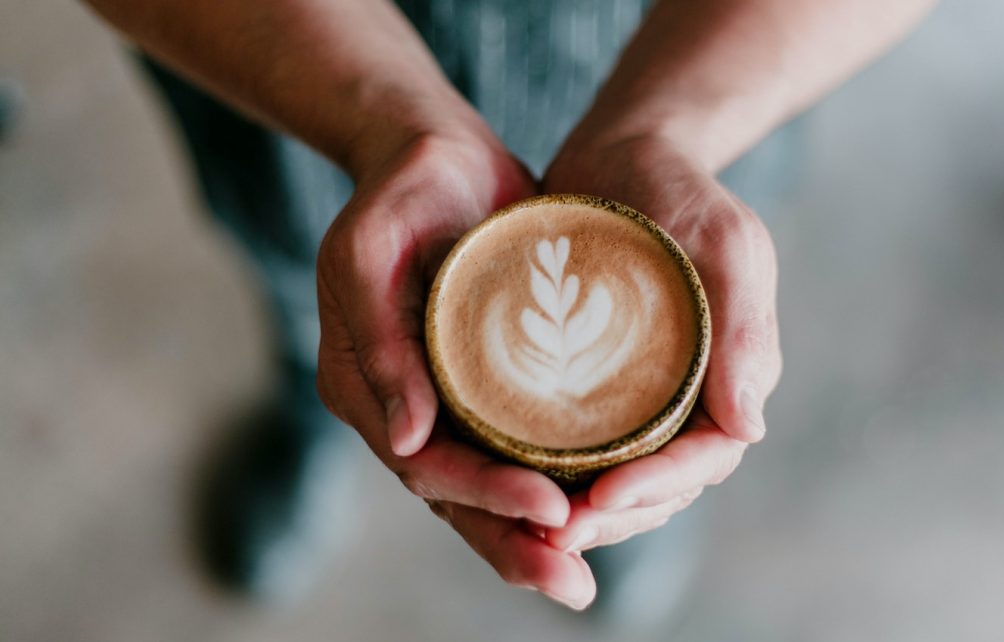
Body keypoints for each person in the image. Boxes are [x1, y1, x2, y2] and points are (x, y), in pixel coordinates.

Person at [82, 0, 936, 611]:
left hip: (702, 74)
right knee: (324, 307)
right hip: (298, 75)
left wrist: (666, 129)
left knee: (683, 339)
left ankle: (619, 494)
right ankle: (315, 410)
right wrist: (388, 122)